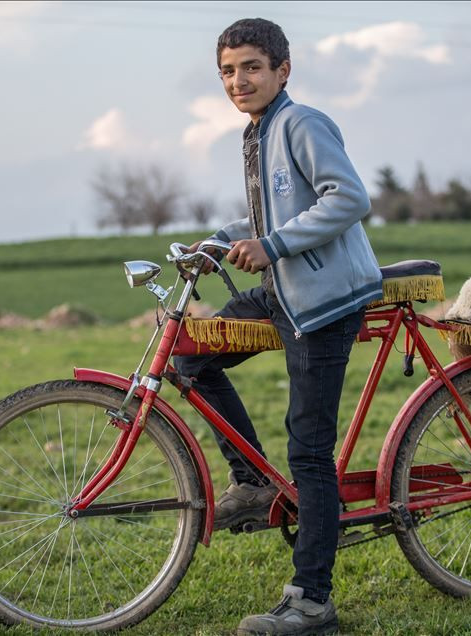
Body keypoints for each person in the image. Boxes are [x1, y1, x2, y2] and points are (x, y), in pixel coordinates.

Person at [174, 17, 382, 636]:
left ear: (282, 71)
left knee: (310, 453)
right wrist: (223, 240)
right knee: (192, 357)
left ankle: (313, 603)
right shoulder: (257, 131)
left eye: (251, 68)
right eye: (228, 72)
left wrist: (274, 243)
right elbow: (272, 213)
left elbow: (347, 198)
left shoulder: (302, 122)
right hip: (282, 292)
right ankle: (253, 483)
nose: (239, 81)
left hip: (325, 301)